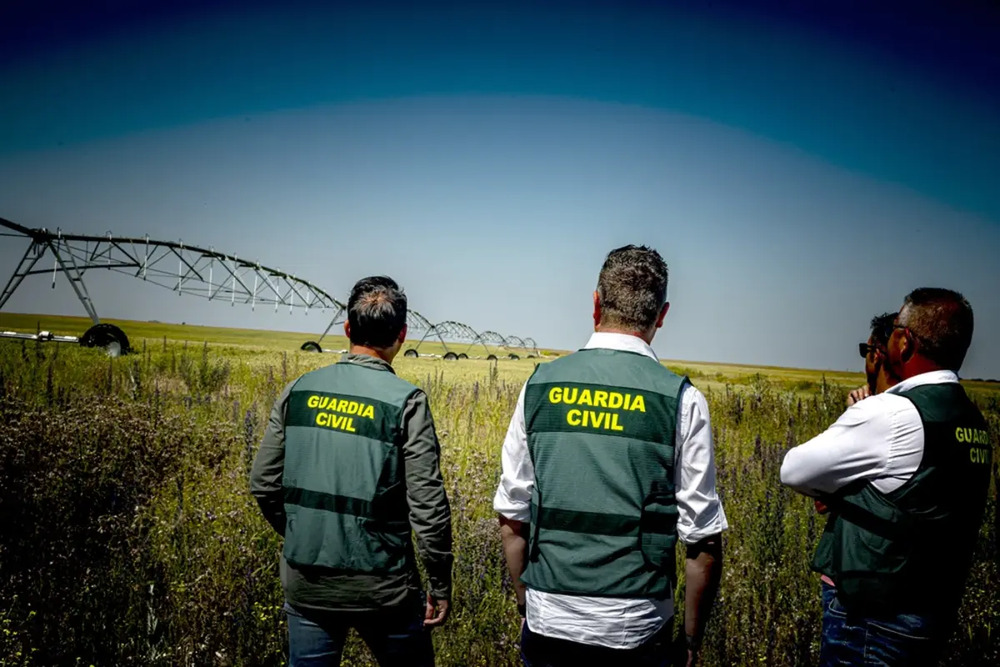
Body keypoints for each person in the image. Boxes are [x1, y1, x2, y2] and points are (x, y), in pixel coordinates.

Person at [494, 245, 727, 667]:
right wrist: (692, 639)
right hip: (637, 623)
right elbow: (703, 542)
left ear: (596, 301)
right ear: (662, 314)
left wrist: (527, 603)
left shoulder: (538, 385)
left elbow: (512, 518)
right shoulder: (683, 400)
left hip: (548, 620)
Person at [781, 288, 993, 667]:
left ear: (905, 341)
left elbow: (794, 469)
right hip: (930, 615)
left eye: (895, 327)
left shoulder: (891, 413)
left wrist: (843, 480)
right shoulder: (972, 421)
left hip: (871, 621)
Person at [250, 276, 452, 667]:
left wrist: (305, 530)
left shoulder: (298, 390)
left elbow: (263, 483)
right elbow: (428, 509)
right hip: (386, 587)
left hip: (308, 586)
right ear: (403, 334)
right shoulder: (407, 402)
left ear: (347, 329)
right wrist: (440, 583)